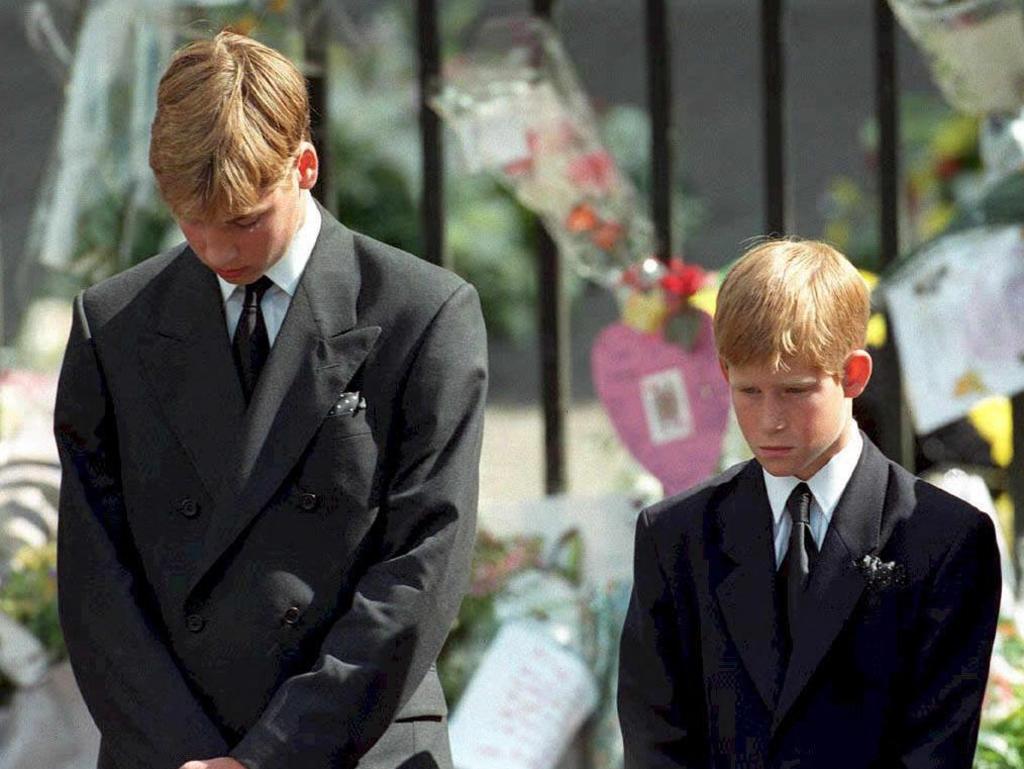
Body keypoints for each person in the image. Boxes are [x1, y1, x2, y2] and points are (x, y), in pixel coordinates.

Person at [53, 30, 487, 769]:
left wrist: (269, 758)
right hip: (171, 750)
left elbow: (421, 567)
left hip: (357, 744)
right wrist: (186, 755)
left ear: (304, 166)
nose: (220, 249)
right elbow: (95, 578)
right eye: (194, 222)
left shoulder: (425, 314)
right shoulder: (114, 326)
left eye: (246, 220)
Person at [617, 238, 1001, 769]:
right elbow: (655, 740)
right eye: (749, 391)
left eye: (795, 391)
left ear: (853, 376)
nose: (769, 419)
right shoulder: (675, 537)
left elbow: (936, 748)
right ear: (724, 373)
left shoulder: (944, 539)